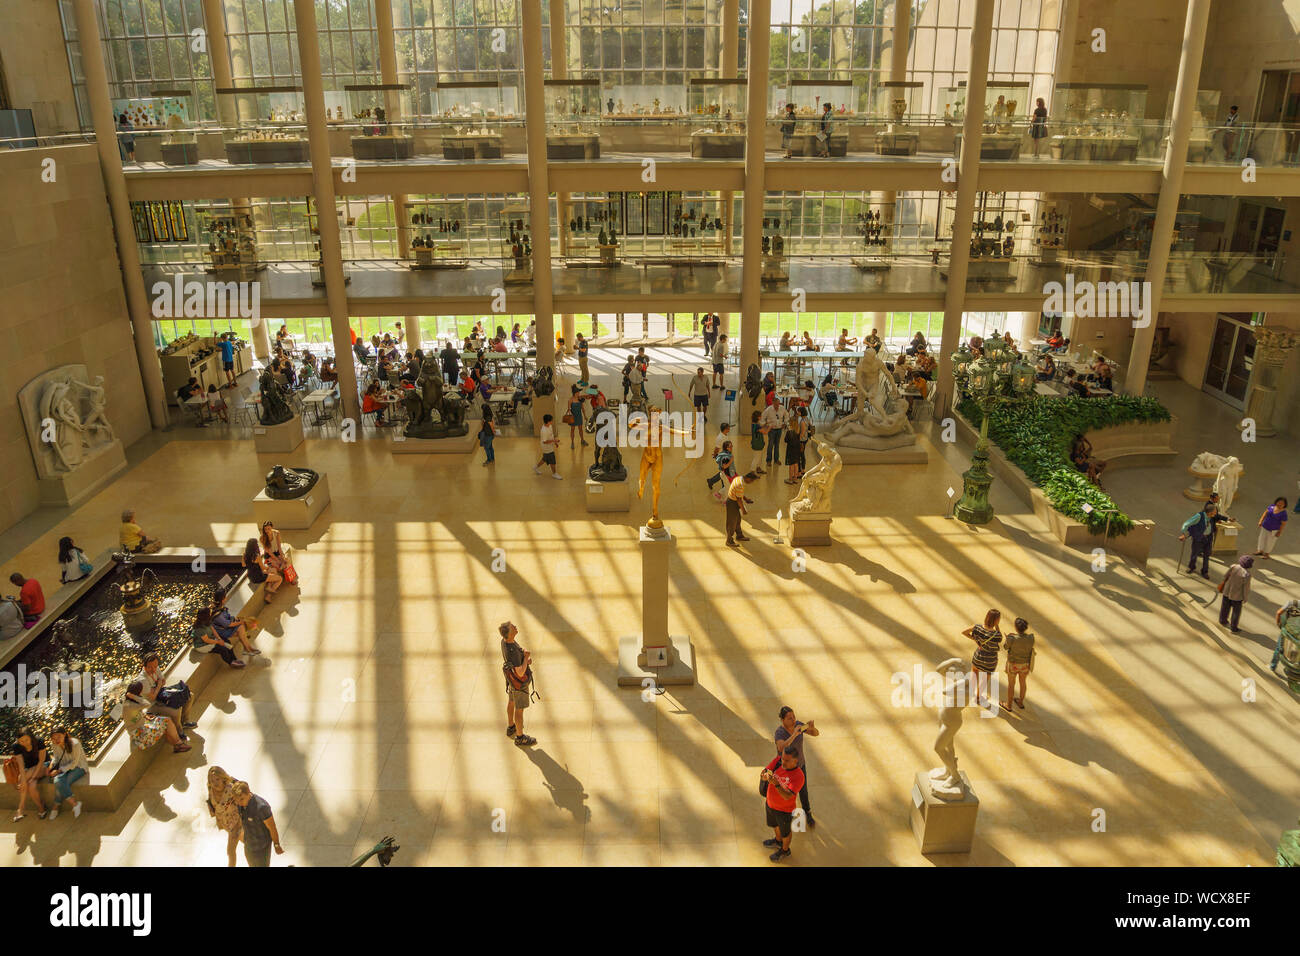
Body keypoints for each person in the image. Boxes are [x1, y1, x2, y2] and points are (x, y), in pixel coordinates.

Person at [774, 706, 818, 828]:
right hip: (785, 768)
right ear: (782, 720)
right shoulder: (780, 732)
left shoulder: (798, 725)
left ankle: (807, 812)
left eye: (793, 717)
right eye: (789, 718)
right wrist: (794, 734)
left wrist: (812, 728)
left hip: (799, 765)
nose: (793, 720)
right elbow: (781, 747)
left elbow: (815, 734)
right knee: (786, 792)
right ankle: (786, 814)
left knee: (803, 790)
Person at [761, 746, 805, 863]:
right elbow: (764, 771)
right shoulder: (778, 760)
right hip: (770, 804)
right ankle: (778, 841)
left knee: (785, 832)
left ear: (795, 760)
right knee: (775, 825)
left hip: (784, 810)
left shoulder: (798, 776)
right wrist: (764, 776)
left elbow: (788, 796)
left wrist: (776, 784)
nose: (783, 762)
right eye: (783, 758)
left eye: (787, 760)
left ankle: (785, 850)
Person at [138, 650, 198, 736]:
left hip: (162, 695)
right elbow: (152, 697)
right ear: (144, 667)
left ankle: (185, 721)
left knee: (190, 696)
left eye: (155, 666)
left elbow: (163, 681)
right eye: (150, 667)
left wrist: (158, 686)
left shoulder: (155, 668)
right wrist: (158, 685)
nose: (153, 669)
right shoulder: (142, 680)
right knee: (176, 708)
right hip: (153, 705)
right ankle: (179, 730)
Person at [122, 683, 190, 753]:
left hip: (142, 726)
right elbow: (147, 704)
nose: (141, 693)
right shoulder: (129, 705)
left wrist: (144, 716)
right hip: (140, 734)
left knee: (166, 721)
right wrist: (134, 696)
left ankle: (177, 745)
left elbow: (136, 714)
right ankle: (179, 745)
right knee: (167, 721)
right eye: (140, 691)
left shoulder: (129, 702)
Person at [500, 622, 536, 746]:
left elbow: (516, 664)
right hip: (519, 684)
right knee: (519, 710)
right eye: (512, 627)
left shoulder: (504, 642)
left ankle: (511, 727)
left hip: (511, 681)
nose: (515, 626)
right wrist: (525, 658)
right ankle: (520, 737)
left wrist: (523, 658)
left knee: (511, 701)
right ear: (509, 634)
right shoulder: (512, 651)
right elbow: (520, 673)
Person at [232, 781, 283, 867]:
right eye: (236, 800)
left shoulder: (262, 807)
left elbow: (272, 827)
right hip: (249, 846)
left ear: (248, 792)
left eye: (241, 799)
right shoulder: (239, 804)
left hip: (262, 847)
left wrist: (276, 844)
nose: (239, 802)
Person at [963, 609, 1003, 707]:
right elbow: (1000, 638)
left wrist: (976, 640)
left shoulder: (977, 627)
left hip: (978, 656)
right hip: (990, 660)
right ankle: (978, 697)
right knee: (985, 678)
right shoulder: (996, 635)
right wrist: (997, 625)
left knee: (974, 672)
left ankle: (971, 692)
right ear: (996, 620)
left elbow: (964, 632)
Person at [45, 728, 87, 820]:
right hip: (64, 766)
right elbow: (56, 757)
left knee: (60, 782)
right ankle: (75, 804)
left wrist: (59, 771)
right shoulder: (54, 744)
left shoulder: (75, 744)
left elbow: (74, 763)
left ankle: (56, 806)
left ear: (65, 734)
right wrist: (51, 766)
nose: (56, 740)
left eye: (59, 737)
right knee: (58, 781)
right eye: (54, 738)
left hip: (79, 767)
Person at [207, 767, 244, 866]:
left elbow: (243, 802)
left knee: (230, 851)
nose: (215, 783)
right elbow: (214, 808)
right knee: (249, 844)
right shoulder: (211, 791)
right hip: (227, 825)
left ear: (223, 778)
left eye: (217, 779)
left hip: (237, 823)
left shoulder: (231, 789)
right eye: (212, 780)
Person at [10, 729, 48, 821]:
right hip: (28, 769)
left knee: (22, 780)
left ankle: (20, 808)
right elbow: (21, 766)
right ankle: (41, 808)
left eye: (26, 740)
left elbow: (41, 761)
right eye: (21, 741)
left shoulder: (39, 741)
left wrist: (32, 776)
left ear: (31, 737)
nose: (24, 743)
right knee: (31, 786)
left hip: (43, 766)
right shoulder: (16, 746)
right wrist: (25, 779)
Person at [1180, 503, 1222, 578]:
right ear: (1210, 512)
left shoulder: (1212, 517)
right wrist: (1184, 534)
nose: (1216, 513)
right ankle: (1191, 567)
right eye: (1215, 512)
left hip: (1208, 538)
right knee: (1194, 554)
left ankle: (1205, 571)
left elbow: (1219, 519)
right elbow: (1186, 524)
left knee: (1207, 555)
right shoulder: (1199, 516)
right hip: (1199, 538)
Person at [1002, 617, 1035, 712]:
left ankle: (1008, 705)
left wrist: (1008, 638)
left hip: (1013, 664)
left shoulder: (1012, 638)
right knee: (1023, 683)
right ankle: (1020, 702)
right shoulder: (1031, 637)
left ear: (1016, 627)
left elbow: (1005, 647)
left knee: (1011, 684)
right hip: (1025, 665)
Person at [1217, 555, 1253, 633]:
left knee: (1225, 607)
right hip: (1237, 596)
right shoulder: (1247, 574)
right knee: (1236, 612)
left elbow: (1225, 576)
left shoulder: (1233, 566)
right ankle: (1234, 628)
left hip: (1227, 591)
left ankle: (1222, 620)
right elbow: (1246, 588)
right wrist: (1245, 598)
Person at [725, 471, 756, 547]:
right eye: (751, 481)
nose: (751, 482)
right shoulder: (740, 484)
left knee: (737, 520)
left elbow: (739, 493)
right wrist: (743, 510)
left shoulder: (739, 478)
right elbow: (739, 499)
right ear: (748, 478)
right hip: (732, 503)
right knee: (732, 523)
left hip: (733, 502)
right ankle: (729, 541)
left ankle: (739, 535)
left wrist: (746, 499)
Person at [1272, 600, 1300, 675]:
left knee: (1279, 648)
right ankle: (1291, 670)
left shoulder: (1292, 603)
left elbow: (1279, 612)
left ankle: (1273, 666)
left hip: (1287, 631)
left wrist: (1279, 624)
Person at [706, 422, 734, 495]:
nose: (729, 429)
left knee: (723, 472)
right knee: (723, 473)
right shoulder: (720, 438)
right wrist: (715, 455)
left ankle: (720, 485)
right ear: (725, 429)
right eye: (728, 428)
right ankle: (713, 482)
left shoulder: (725, 435)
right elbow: (717, 448)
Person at [761, 397, 786, 470]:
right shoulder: (768, 410)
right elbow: (762, 417)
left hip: (779, 429)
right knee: (770, 445)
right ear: (773, 404)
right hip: (771, 430)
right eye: (776, 405)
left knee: (777, 445)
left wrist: (785, 423)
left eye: (778, 404)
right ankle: (768, 460)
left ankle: (776, 459)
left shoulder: (782, 408)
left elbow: (787, 415)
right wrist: (765, 425)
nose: (777, 406)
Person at [534, 413, 562, 479]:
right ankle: (554, 473)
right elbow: (545, 441)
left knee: (545, 459)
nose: (552, 422)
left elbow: (551, 436)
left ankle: (535, 467)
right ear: (548, 421)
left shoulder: (549, 426)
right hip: (546, 447)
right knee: (552, 460)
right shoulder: (543, 430)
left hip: (550, 445)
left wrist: (555, 442)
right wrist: (554, 441)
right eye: (551, 421)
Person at [746, 411, 769, 478]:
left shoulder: (754, 424)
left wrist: (765, 425)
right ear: (758, 417)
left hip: (757, 443)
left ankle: (758, 468)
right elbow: (765, 432)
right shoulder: (756, 426)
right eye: (760, 416)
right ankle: (752, 471)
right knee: (756, 458)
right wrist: (770, 427)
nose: (761, 417)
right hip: (757, 444)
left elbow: (761, 427)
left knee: (759, 457)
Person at [567, 384, 588, 449]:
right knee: (572, 430)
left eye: (579, 392)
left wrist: (585, 416)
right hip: (573, 417)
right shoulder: (570, 400)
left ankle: (582, 440)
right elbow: (569, 409)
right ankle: (572, 442)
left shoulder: (580, 399)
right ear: (574, 393)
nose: (579, 393)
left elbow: (582, 408)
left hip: (579, 416)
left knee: (580, 429)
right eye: (577, 392)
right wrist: (570, 413)